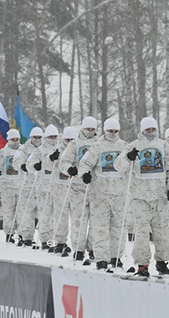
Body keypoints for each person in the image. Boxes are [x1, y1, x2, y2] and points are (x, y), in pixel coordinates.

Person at [120, 117, 169, 277]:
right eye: (147, 129)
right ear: (142, 130)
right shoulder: (133, 146)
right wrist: (128, 157)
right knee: (142, 232)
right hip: (140, 197)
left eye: (153, 129)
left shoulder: (164, 146)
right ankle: (142, 264)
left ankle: (162, 262)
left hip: (160, 197)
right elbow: (118, 166)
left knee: (162, 231)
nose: (150, 132)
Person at [76, 118, 129, 272]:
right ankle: (101, 259)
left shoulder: (124, 146)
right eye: (110, 131)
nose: (113, 134)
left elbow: (132, 165)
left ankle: (115, 257)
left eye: (115, 131)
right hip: (100, 194)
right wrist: (85, 174)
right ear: (105, 131)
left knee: (118, 227)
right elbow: (85, 163)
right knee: (100, 227)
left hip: (119, 194)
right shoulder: (97, 146)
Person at [60, 116, 99, 262]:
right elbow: (64, 162)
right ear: (82, 128)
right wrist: (69, 169)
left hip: (96, 188)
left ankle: (93, 248)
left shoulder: (99, 143)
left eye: (93, 129)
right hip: (78, 188)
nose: (90, 131)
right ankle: (78, 249)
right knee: (79, 221)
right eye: (88, 128)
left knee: (96, 221)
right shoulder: (74, 144)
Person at [22, 124, 61, 250]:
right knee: (45, 214)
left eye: (55, 136)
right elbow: (29, 164)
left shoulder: (61, 148)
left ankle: (57, 240)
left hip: (58, 186)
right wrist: (36, 165)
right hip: (43, 187)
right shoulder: (39, 150)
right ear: (46, 137)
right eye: (51, 136)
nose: (53, 139)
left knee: (58, 215)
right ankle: (45, 239)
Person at [0, 129, 23, 243]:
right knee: (9, 211)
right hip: (7, 186)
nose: (15, 141)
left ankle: (23, 234)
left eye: (17, 139)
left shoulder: (23, 151)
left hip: (21, 186)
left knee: (22, 211)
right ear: (8, 140)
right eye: (13, 139)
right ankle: (9, 234)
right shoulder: (2, 153)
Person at [13, 126, 45, 247]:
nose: (37, 139)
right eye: (35, 137)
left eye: (39, 137)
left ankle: (45, 238)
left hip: (42, 185)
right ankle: (26, 236)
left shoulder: (44, 148)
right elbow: (15, 162)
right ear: (31, 137)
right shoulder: (23, 148)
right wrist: (23, 166)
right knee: (27, 211)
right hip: (27, 184)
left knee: (41, 212)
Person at [48, 126, 77, 255]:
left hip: (76, 187)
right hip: (60, 186)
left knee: (77, 217)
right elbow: (46, 166)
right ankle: (60, 242)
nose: (69, 142)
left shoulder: (78, 149)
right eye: (67, 139)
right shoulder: (57, 150)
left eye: (72, 139)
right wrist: (51, 158)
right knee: (60, 216)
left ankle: (78, 245)